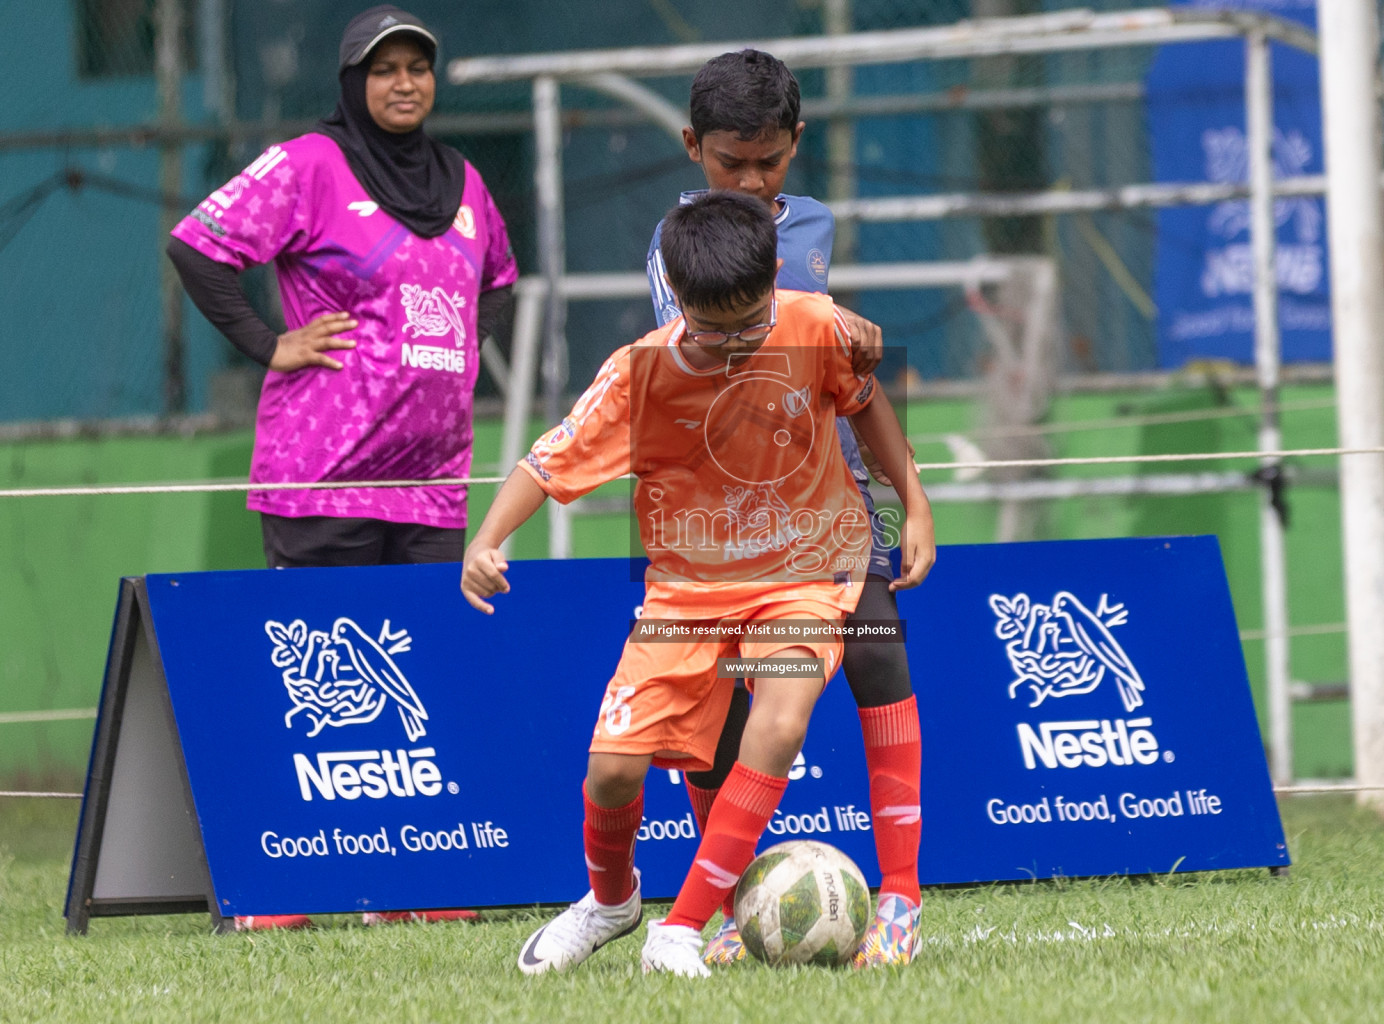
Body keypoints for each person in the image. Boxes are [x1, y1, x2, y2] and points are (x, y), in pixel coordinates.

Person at [461, 191, 935, 978]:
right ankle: (613, 902)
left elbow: (870, 404)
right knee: (612, 771)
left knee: (778, 725)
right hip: (686, 598)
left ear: (774, 281)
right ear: (675, 298)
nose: (734, 341)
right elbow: (545, 463)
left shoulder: (817, 328)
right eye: (714, 329)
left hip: (807, 573)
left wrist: (912, 501)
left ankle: (679, 928)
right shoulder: (637, 375)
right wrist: (487, 537)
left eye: (750, 322)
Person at [167, 5, 518, 930]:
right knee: (319, 683)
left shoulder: (466, 181)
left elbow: (496, 286)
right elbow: (197, 245)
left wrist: (449, 369)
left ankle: (422, 882)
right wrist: (264, 342)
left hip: (434, 479)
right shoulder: (307, 165)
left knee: (429, 674)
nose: (405, 83)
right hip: (322, 469)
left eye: (419, 68)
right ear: (351, 83)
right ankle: (282, 886)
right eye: (384, 69)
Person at [645, 48, 925, 967]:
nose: (755, 181)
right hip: (723, 524)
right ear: (694, 149)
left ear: (795, 145)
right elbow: (711, 337)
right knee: (723, 712)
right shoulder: (673, 248)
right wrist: (826, 313)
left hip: (833, 509)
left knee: (880, 664)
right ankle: (719, 910)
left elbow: (846, 377)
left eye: (771, 160)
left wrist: (908, 496)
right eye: (733, 162)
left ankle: (903, 903)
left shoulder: (815, 224)